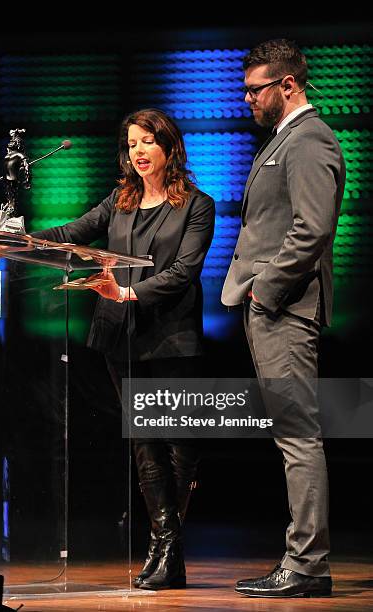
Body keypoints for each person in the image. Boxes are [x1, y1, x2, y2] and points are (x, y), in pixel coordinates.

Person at [0, 108, 215, 590]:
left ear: (169, 147)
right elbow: (71, 235)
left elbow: (183, 272)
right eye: (132, 143)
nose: (139, 152)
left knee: (179, 447)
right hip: (119, 336)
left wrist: (127, 292)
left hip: (170, 338)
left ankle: (168, 548)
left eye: (147, 142)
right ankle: (166, 551)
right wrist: (10, 247)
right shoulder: (119, 200)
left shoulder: (197, 205)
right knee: (144, 444)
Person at [221, 39, 345, 598]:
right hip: (274, 308)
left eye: (255, 89)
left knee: (298, 438)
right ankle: (302, 561)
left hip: (286, 308)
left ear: (287, 86)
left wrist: (264, 293)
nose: (247, 98)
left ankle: (306, 565)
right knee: (292, 437)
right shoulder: (285, 139)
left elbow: (313, 230)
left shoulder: (309, 138)